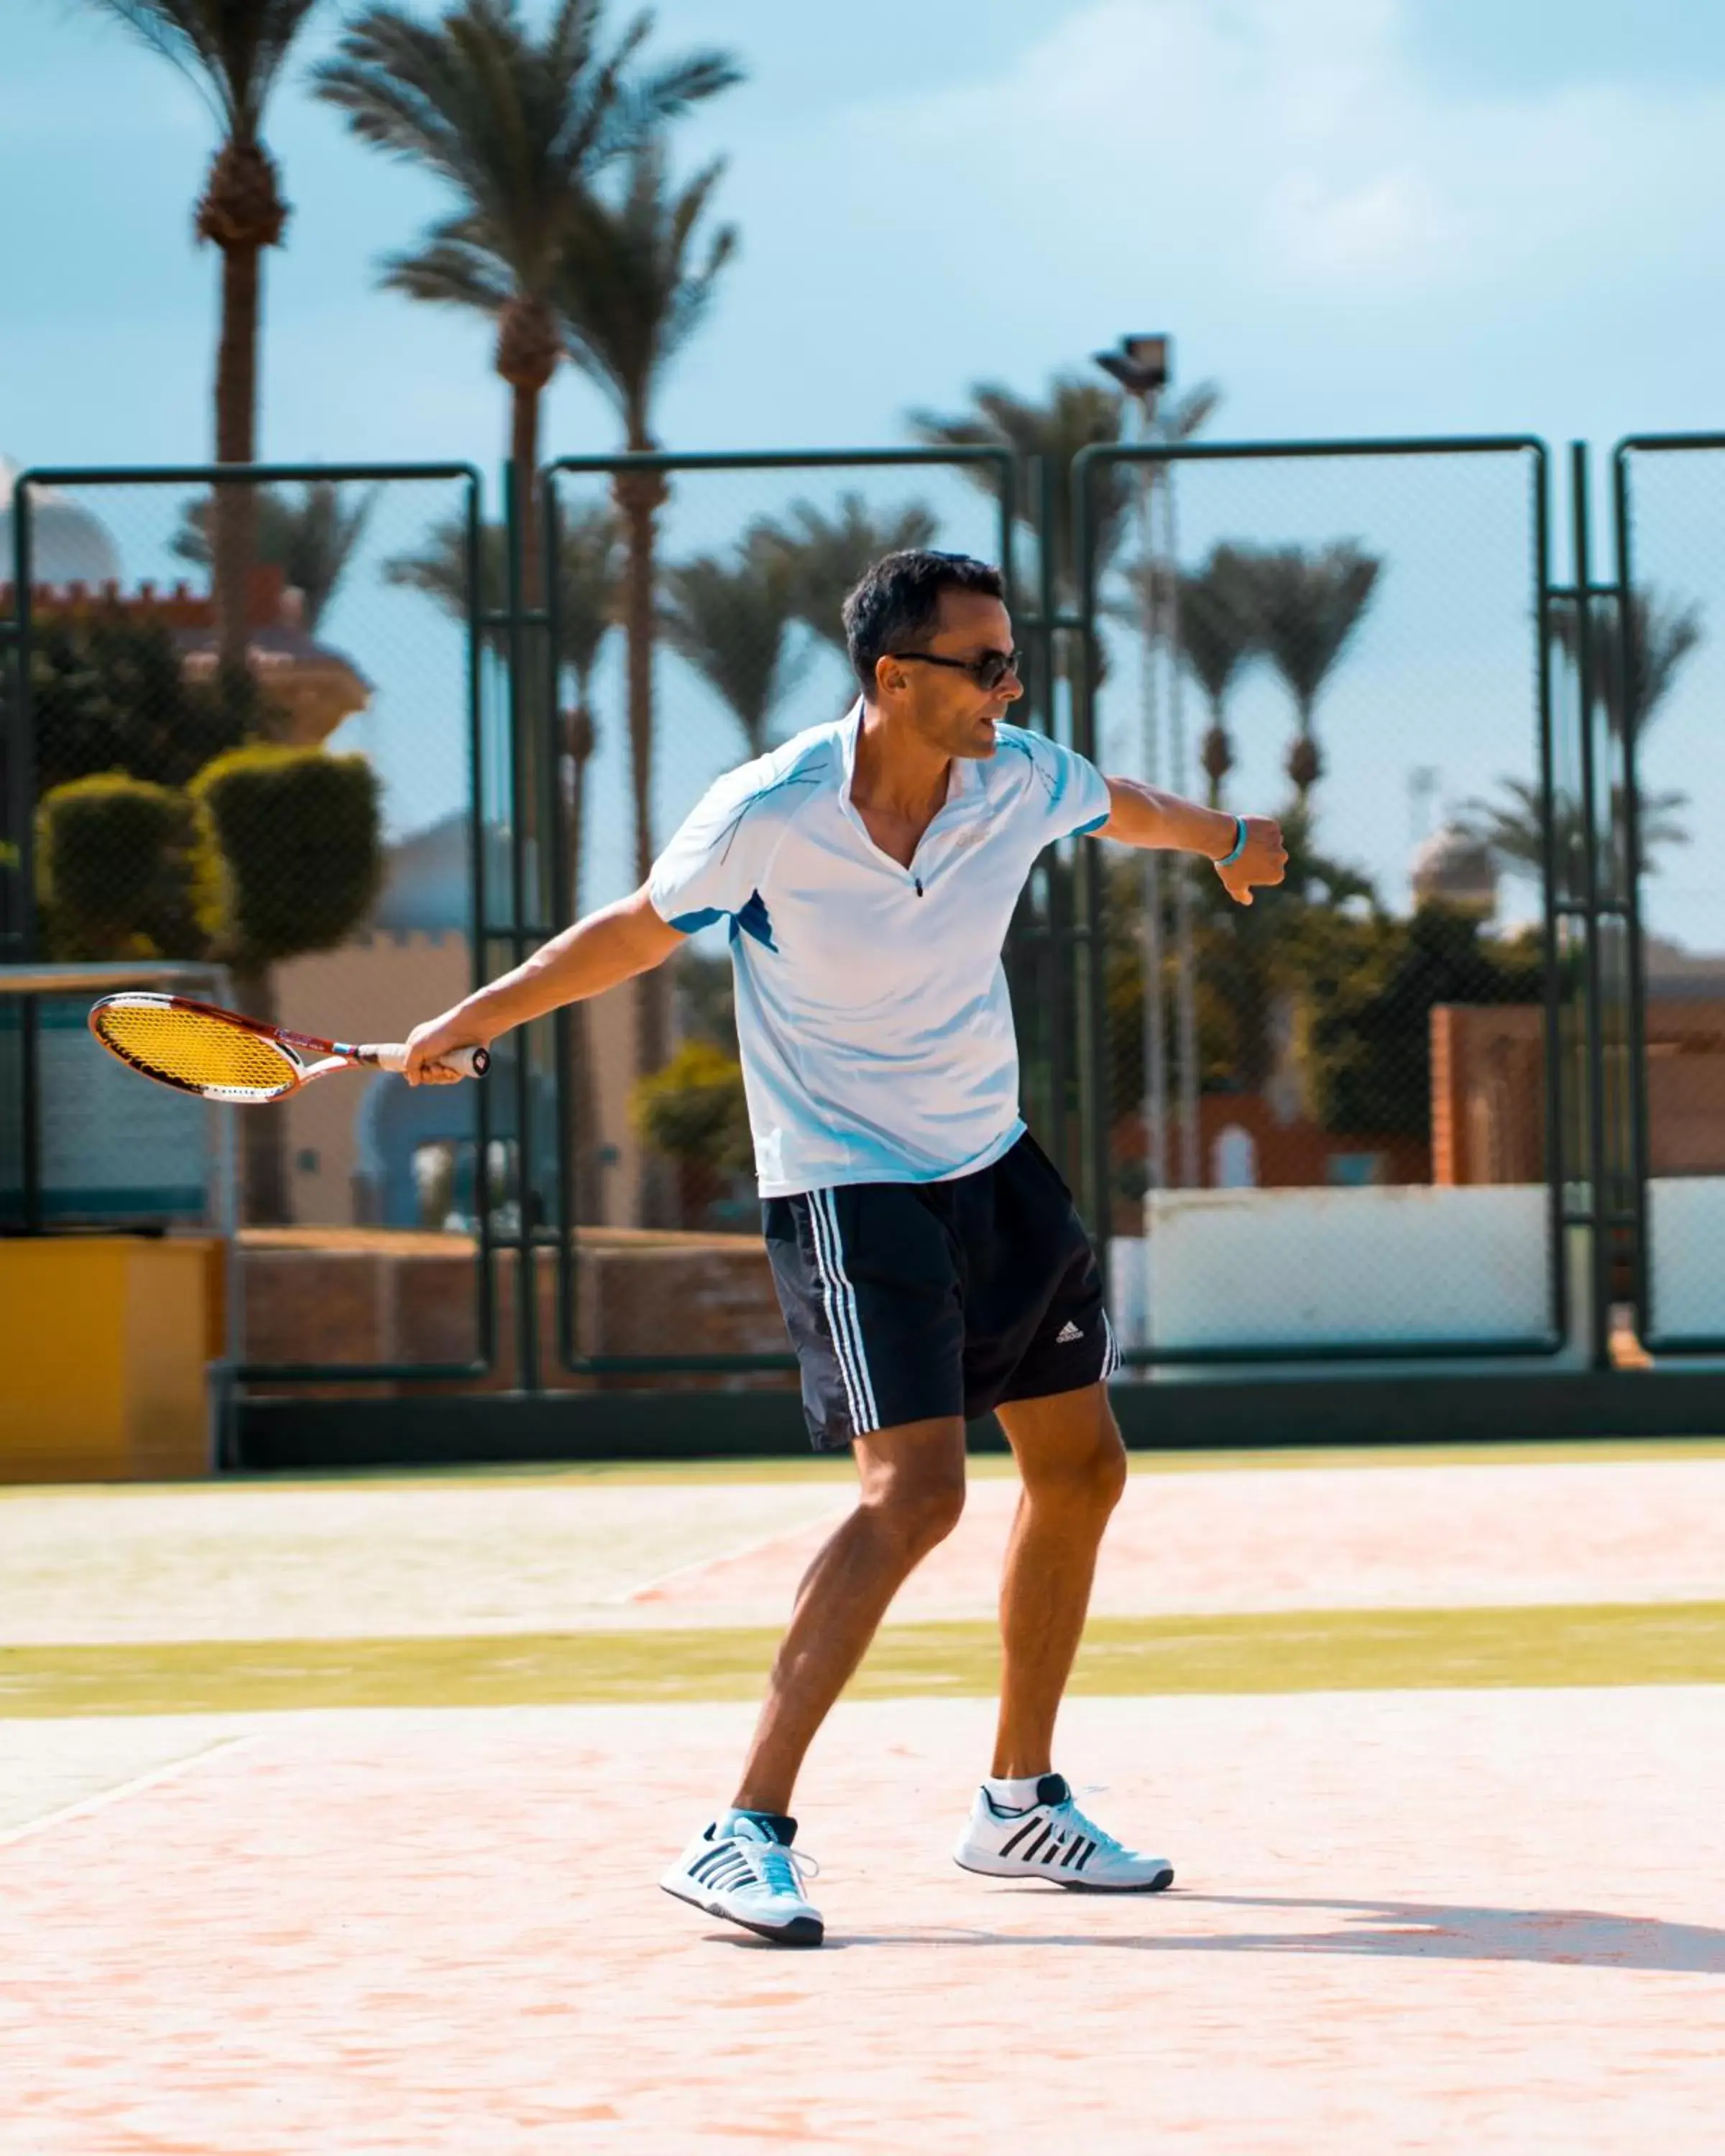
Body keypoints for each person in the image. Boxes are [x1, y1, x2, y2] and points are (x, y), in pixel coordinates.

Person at [404, 549, 1287, 1949]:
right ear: (895, 678)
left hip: (994, 1167)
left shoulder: (1017, 776)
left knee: (1083, 1467)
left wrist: (1232, 838)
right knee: (915, 1495)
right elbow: (637, 931)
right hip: (847, 1186)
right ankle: (738, 1829)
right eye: (986, 663)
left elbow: (1132, 808)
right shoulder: (771, 812)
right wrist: (473, 1022)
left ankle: (1017, 1801)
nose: (1012, 682)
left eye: (1013, 657)